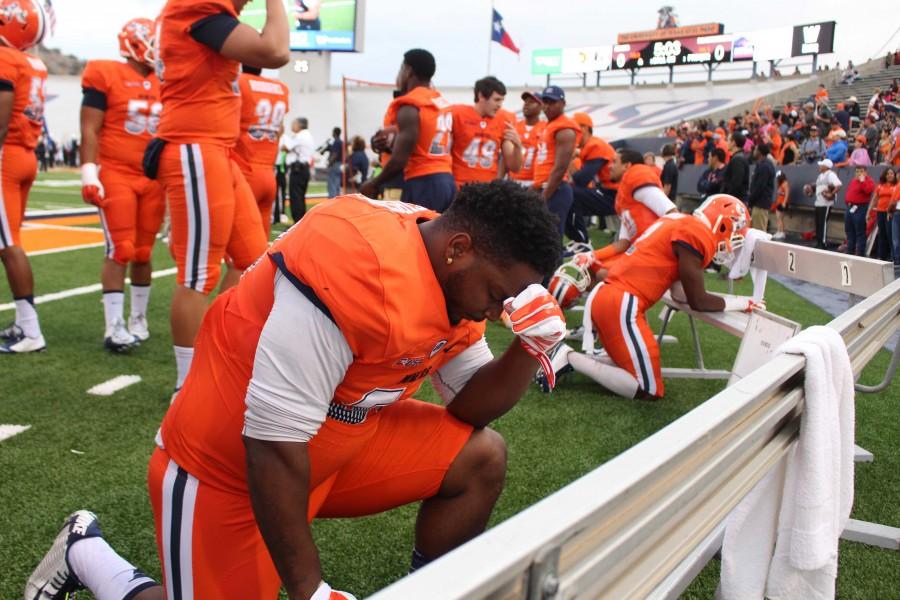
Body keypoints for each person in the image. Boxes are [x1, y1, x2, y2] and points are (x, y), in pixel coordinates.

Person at [26, 182, 566, 600]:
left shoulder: (451, 271)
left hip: (336, 447)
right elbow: (270, 444)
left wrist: (529, 346)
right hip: (229, 465)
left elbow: (471, 406)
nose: (497, 313)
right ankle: (87, 555)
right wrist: (310, 589)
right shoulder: (355, 269)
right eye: (498, 296)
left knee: (481, 457)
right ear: (459, 249)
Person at [149, 0, 288, 392]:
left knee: (253, 260)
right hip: (194, 145)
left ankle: (214, 349)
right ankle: (187, 385)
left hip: (218, 150)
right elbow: (275, 50)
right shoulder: (195, 8)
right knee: (198, 274)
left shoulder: (206, 15)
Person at [539, 195, 759, 399]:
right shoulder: (696, 233)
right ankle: (569, 358)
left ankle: (565, 359)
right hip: (622, 303)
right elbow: (697, 301)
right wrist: (741, 302)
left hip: (609, 298)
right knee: (648, 389)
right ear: (722, 223)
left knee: (627, 366)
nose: (733, 237)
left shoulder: (677, 221)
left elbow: (680, 294)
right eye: (735, 230)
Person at [80, 18, 164, 352]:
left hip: (152, 177)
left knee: (143, 253)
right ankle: (113, 326)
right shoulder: (105, 73)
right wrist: (89, 171)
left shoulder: (165, 80)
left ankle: (138, 319)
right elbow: (90, 128)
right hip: (116, 171)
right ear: (136, 42)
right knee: (121, 250)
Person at [0, 0, 50, 354]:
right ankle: (23, 322)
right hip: (24, 154)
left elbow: (1, 120)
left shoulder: (6, 60)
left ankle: (31, 330)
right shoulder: (33, 62)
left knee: (8, 243)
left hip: (6, 155)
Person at [360, 49, 455, 212]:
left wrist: (373, 183)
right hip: (446, 179)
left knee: (414, 235)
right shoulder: (440, 102)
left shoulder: (410, 106)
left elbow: (399, 159)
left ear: (408, 70)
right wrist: (382, 144)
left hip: (422, 181)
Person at [236, 65, 290, 237]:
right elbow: (280, 129)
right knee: (259, 244)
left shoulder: (240, 83)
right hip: (269, 172)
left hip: (245, 172)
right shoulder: (279, 88)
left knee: (238, 247)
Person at [449, 76, 521, 187]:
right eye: (496, 100)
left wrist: (518, 146)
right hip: (459, 185)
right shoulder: (457, 114)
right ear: (481, 96)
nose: (500, 105)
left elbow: (515, 167)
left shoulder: (505, 119)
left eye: (502, 100)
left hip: (487, 189)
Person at [532, 85, 578, 238]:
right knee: (540, 238)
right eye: (545, 101)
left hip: (555, 190)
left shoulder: (564, 129)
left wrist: (544, 197)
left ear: (563, 103)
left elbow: (560, 168)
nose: (547, 106)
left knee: (550, 239)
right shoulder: (550, 125)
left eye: (552, 102)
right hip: (546, 188)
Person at [566, 112, 617, 244]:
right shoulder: (590, 146)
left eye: (574, 129)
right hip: (609, 191)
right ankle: (578, 240)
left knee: (570, 193)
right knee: (566, 194)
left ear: (584, 128)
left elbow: (581, 180)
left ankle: (582, 241)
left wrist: (568, 159)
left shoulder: (595, 145)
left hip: (616, 194)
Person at [281, 117, 316, 223]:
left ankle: (297, 223)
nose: (292, 126)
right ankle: (301, 223)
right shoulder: (308, 135)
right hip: (304, 169)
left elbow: (285, 148)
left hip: (298, 170)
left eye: (293, 123)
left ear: (299, 125)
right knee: (300, 197)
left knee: (296, 198)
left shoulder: (299, 136)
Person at [509, 91, 545, 189]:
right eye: (525, 101)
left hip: (534, 182)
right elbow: (505, 156)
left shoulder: (546, 128)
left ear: (541, 107)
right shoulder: (514, 126)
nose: (526, 104)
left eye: (532, 102)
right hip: (513, 181)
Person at [843, 166, 875, 256]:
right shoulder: (853, 181)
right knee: (849, 230)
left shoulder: (869, 181)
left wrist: (862, 181)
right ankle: (850, 250)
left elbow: (868, 190)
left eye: (861, 171)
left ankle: (860, 252)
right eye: (857, 171)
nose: (859, 173)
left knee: (860, 231)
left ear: (865, 172)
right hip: (850, 207)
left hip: (860, 208)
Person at [813, 158, 842, 249]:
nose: (820, 166)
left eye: (821, 165)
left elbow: (838, 184)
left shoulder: (831, 174)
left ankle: (823, 242)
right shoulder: (820, 176)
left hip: (825, 203)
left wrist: (831, 194)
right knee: (818, 223)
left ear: (826, 167)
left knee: (823, 223)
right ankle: (819, 241)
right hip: (818, 202)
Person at [747, 143, 776, 232]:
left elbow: (760, 186)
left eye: (756, 149)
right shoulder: (763, 164)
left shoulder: (765, 166)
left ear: (759, 152)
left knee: (759, 232)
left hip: (760, 203)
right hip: (758, 203)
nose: (754, 152)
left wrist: (750, 200)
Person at [873, 167, 896, 260]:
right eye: (888, 173)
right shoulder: (880, 186)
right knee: (882, 234)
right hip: (880, 212)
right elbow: (874, 199)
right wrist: (869, 211)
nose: (890, 175)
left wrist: (890, 210)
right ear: (885, 175)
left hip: (890, 213)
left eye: (891, 173)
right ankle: (881, 256)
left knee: (890, 234)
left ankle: (892, 256)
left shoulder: (896, 186)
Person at [723, 132, 750, 202]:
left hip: (735, 201)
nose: (727, 143)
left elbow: (736, 182)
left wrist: (727, 199)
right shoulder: (738, 157)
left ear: (733, 143)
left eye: (728, 140)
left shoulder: (738, 159)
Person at [322, 126, 343, 197]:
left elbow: (335, 154)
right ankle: (337, 203)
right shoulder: (341, 142)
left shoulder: (336, 142)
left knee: (332, 185)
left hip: (335, 165)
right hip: (339, 165)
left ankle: (332, 201)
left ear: (334, 133)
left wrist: (329, 163)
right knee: (337, 184)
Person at [772, 171, 790, 240]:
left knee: (780, 218)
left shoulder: (785, 183)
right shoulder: (781, 184)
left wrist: (784, 203)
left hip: (782, 203)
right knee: (778, 218)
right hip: (779, 203)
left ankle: (781, 232)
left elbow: (787, 193)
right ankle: (778, 231)